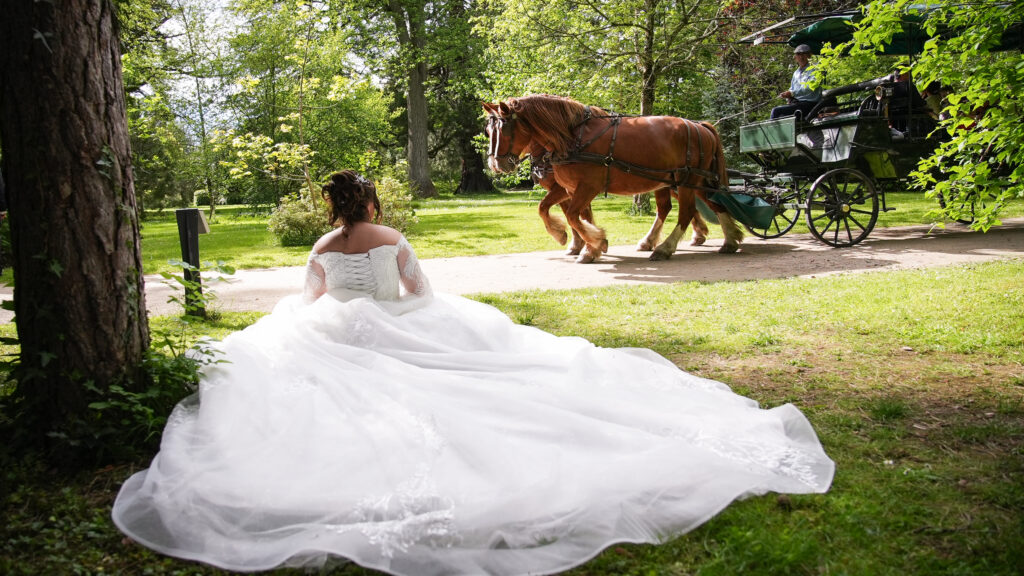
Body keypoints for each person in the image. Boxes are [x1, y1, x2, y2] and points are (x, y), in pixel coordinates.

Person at [112, 170, 835, 576]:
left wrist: (330, 311)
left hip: (339, 331)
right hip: (399, 326)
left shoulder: (323, 244)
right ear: (369, 201)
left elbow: (311, 302)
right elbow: (419, 296)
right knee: (513, 361)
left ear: (332, 207)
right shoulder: (391, 237)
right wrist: (397, 308)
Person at [770, 44, 822, 120]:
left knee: (776, 111)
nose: (801, 57)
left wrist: (792, 93)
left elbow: (810, 88)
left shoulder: (815, 70)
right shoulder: (796, 73)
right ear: (795, 57)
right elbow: (792, 89)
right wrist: (788, 95)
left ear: (809, 55)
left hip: (811, 104)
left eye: (804, 54)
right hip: (798, 104)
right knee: (780, 114)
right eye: (798, 54)